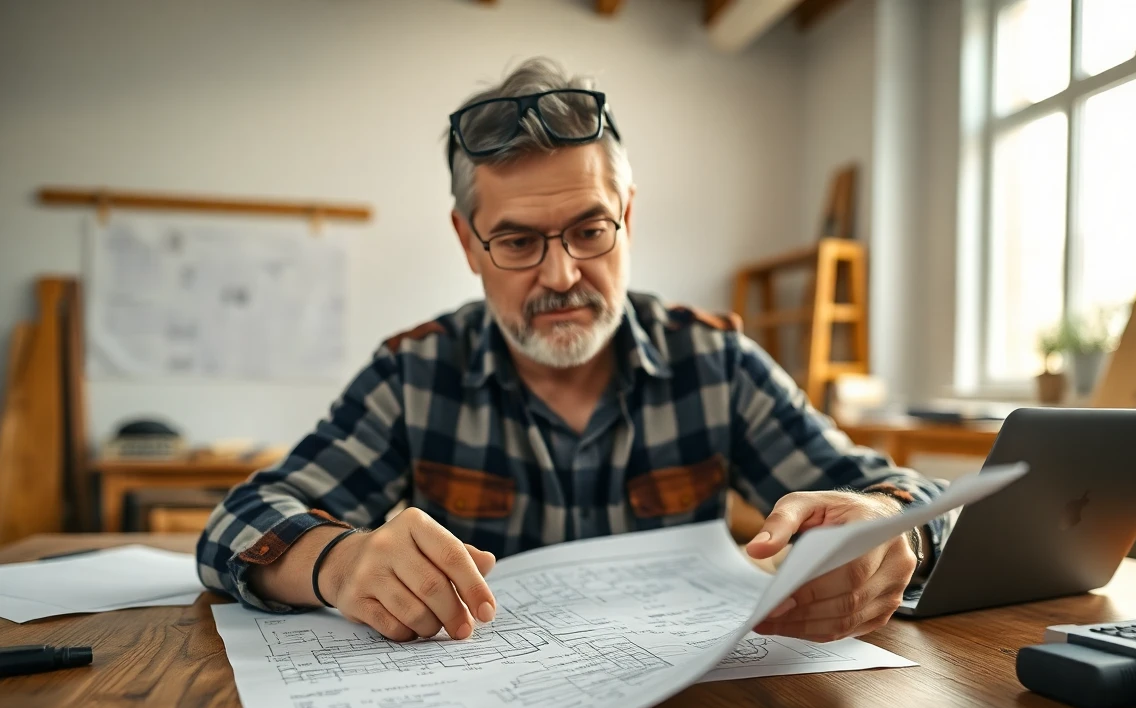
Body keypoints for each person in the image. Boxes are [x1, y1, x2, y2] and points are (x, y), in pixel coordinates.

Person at [196, 58, 950, 645]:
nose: (561, 277)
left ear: (626, 215)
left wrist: (887, 530)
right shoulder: (415, 374)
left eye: (590, 231)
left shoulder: (714, 362)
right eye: (519, 242)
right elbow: (239, 521)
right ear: (468, 244)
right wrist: (340, 563)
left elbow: (901, 495)